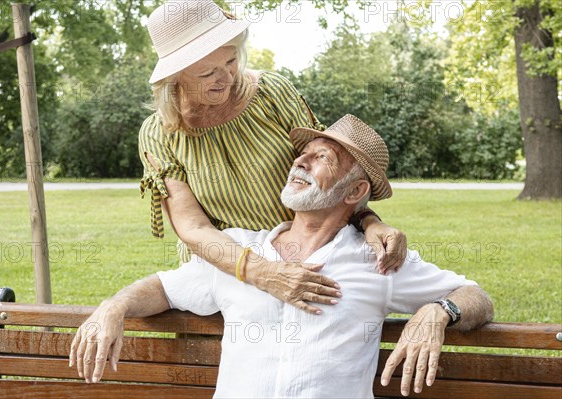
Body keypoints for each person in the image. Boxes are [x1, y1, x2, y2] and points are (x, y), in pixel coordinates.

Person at [71, 115, 494, 398]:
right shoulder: (238, 249)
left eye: (321, 157)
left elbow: (477, 296)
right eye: (303, 153)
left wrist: (438, 312)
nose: (301, 161)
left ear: (354, 192)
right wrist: (115, 305)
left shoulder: (378, 262)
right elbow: (163, 288)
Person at [138, 0, 408, 314]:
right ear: (175, 77)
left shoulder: (271, 93)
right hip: (224, 276)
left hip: (308, 260)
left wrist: (370, 222)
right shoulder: (159, 134)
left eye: (231, 60)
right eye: (208, 73)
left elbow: (331, 174)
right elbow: (193, 227)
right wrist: (264, 274)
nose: (227, 78)